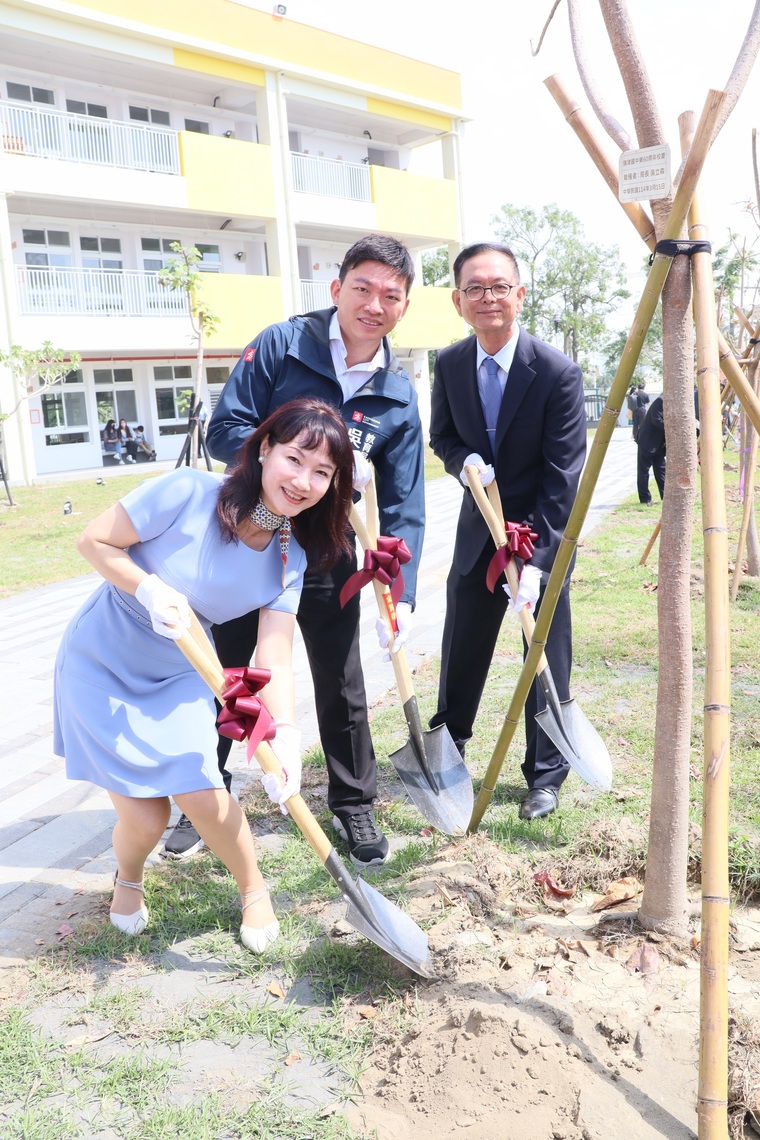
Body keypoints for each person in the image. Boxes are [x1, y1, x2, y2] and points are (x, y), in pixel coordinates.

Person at [162, 234, 425, 868]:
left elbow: (405, 501)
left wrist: (402, 593)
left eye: (391, 295)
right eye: (361, 288)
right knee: (223, 670)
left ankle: (353, 801)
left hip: (330, 549)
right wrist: (298, 467)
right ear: (336, 289)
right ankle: (205, 795)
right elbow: (226, 428)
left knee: (341, 678)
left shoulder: (398, 390)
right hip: (248, 537)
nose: (374, 305)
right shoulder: (283, 344)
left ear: (404, 306)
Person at [54, 398, 354, 949]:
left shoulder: (290, 559)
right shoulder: (188, 490)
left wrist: (285, 734)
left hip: (184, 667)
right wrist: (148, 588)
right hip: (102, 659)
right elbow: (92, 540)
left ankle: (254, 891)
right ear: (265, 449)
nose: (302, 481)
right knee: (146, 820)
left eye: (322, 472)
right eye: (294, 459)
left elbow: (275, 653)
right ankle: (129, 877)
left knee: (203, 793)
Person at [428, 241, 587, 821]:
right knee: (461, 647)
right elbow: (443, 436)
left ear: (519, 295)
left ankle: (545, 774)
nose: (488, 297)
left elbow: (563, 476)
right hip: (480, 533)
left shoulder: (556, 372)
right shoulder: (449, 364)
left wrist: (538, 562)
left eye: (499, 286)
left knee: (543, 654)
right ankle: (447, 752)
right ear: (458, 301)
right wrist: (463, 461)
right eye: (475, 288)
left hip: (540, 536)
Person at [637, 394, 665, 503]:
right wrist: (673, 427)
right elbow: (657, 420)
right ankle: (645, 498)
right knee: (644, 471)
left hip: (659, 444)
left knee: (661, 470)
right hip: (647, 441)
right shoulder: (659, 401)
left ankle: (665, 496)